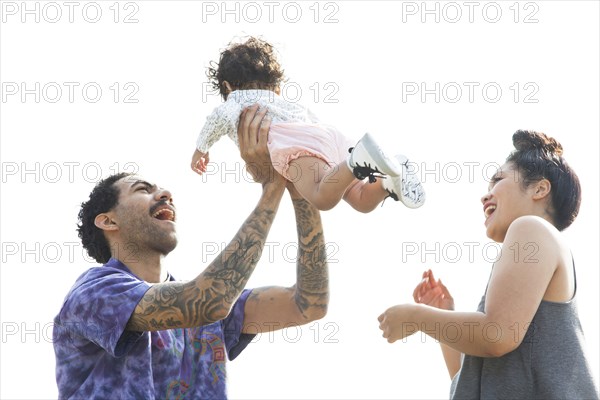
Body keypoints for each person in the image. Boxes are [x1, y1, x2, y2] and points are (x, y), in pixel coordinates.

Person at [53, 106, 330, 399]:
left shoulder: (209, 308)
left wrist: (301, 185)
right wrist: (272, 186)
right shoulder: (93, 294)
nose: (164, 194)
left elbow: (308, 305)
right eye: (142, 190)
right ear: (108, 221)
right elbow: (210, 300)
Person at [377, 130, 599, 399]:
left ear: (540, 189)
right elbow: (473, 377)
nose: (486, 196)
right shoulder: (533, 245)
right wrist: (444, 314)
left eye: (498, 180)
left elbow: (497, 336)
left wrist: (416, 318)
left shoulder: (531, 228)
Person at [191, 36, 425, 212]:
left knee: (322, 198)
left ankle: (358, 161)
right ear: (276, 87)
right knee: (361, 200)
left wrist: (201, 150)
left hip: (296, 147)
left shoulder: (236, 100)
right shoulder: (280, 101)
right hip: (327, 137)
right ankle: (390, 179)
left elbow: (217, 120)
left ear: (227, 86)